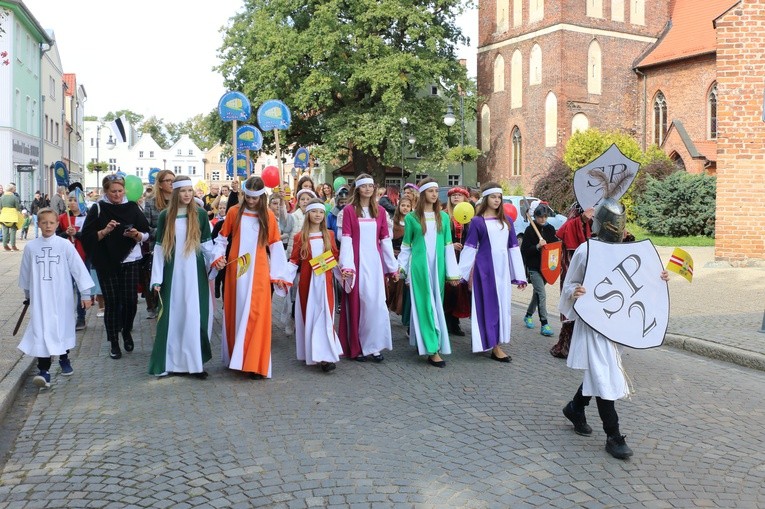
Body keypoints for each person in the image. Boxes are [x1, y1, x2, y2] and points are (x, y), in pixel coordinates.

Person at [560, 197, 669, 460]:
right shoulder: (587, 251)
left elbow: (639, 284)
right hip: (593, 322)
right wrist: (575, 290)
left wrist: (659, 277)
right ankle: (613, 435)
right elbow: (569, 284)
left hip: (616, 324)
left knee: (601, 370)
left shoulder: (628, 251)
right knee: (604, 374)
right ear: (601, 223)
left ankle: (575, 408)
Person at [211, 176, 290, 379]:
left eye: (255, 198)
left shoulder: (268, 215)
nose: (252, 201)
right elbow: (221, 239)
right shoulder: (233, 212)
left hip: (259, 272)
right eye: (248, 197)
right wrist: (218, 257)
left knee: (257, 314)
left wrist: (279, 275)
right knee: (236, 312)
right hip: (236, 271)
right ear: (244, 194)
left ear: (261, 197)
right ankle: (238, 358)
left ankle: (254, 363)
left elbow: (275, 245)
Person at [18, 208, 94, 388]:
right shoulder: (31, 247)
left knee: (61, 327)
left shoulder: (64, 245)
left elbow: (78, 269)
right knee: (42, 330)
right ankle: (43, 371)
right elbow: (26, 273)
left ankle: (64, 357)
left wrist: (85, 294)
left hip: (61, 295)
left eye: (51, 222)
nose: (48, 226)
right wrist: (28, 295)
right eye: (44, 222)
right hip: (40, 298)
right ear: (38, 224)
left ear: (57, 224)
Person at [149, 176, 215, 378]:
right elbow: (160, 249)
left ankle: (195, 364)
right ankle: (170, 363)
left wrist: (216, 261)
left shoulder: (201, 215)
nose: (187, 194)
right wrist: (157, 279)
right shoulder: (165, 216)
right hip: (172, 274)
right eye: (183, 191)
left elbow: (207, 247)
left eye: (190, 190)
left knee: (195, 316)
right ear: (176, 193)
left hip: (195, 276)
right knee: (171, 317)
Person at [81, 174, 151, 360]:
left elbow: (146, 234)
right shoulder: (98, 208)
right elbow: (87, 237)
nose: (117, 194)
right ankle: (113, 342)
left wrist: (136, 235)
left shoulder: (132, 207)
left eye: (120, 191)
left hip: (130, 259)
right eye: (113, 191)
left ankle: (126, 331)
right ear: (106, 191)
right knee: (112, 303)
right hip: (106, 261)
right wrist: (105, 230)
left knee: (129, 301)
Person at [458, 183, 527, 362]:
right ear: (486, 199)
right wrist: (461, 275)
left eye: (499, 197)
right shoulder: (477, 221)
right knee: (487, 307)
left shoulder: (507, 221)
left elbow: (513, 248)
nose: (496, 200)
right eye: (493, 197)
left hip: (502, 271)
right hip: (485, 271)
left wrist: (519, 275)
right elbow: (470, 248)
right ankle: (493, 346)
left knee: (502, 307)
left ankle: (494, 341)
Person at [397, 178, 459, 368]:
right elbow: (406, 246)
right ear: (423, 194)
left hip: (437, 269)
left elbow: (448, 246)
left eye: (436, 190)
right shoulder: (411, 218)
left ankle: (424, 341)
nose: (434, 194)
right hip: (419, 269)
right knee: (425, 305)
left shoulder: (445, 217)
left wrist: (452, 273)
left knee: (436, 304)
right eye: (431, 191)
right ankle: (433, 349)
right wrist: (402, 268)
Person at [338, 174, 398, 362]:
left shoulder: (380, 211)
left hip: (374, 263)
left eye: (371, 186)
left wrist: (392, 267)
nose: (368, 189)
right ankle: (358, 347)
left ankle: (375, 346)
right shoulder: (349, 211)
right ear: (357, 189)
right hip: (357, 263)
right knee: (359, 304)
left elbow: (385, 241)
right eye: (364, 186)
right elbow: (346, 238)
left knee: (377, 304)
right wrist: (346, 266)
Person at [284, 199, 343, 372]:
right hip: (308, 285)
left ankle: (325, 356)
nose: (317, 215)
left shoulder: (330, 235)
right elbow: (294, 260)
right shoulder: (299, 237)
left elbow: (336, 257)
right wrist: (284, 278)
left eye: (321, 212)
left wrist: (342, 271)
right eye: (314, 211)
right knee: (311, 316)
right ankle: (314, 352)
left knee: (326, 317)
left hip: (325, 284)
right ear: (307, 214)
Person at [551, 203, 594, 358]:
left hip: (592, 269)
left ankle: (585, 349)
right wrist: (581, 220)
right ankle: (567, 347)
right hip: (572, 268)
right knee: (572, 307)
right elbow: (566, 230)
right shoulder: (576, 210)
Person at [521, 201, 560, 337]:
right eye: (540, 217)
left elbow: (554, 247)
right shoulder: (529, 230)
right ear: (535, 217)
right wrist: (537, 246)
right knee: (542, 295)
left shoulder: (550, 229)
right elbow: (524, 250)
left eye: (545, 217)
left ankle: (528, 315)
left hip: (546, 268)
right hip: (534, 267)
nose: (543, 219)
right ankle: (544, 323)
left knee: (537, 294)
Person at [142, 170, 176, 319]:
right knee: (159, 279)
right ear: (160, 184)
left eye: (173, 180)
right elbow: (145, 228)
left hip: (178, 248)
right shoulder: (151, 203)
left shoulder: (180, 200)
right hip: (158, 248)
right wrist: (165, 232)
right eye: (168, 180)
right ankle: (155, 306)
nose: (171, 183)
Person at [284, 188, 317, 335]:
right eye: (302, 199)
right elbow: (285, 231)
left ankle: (306, 319)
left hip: (311, 260)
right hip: (296, 258)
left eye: (308, 199)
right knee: (294, 292)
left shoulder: (316, 216)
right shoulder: (293, 216)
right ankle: (292, 319)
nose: (305, 202)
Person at [57, 192, 89, 331]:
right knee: (67, 287)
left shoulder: (87, 218)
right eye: (70, 200)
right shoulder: (62, 218)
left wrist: (76, 234)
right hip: (66, 258)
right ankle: (67, 316)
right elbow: (56, 235)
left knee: (83, 288)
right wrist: (66, 234)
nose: (72, 202)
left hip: (83, 256)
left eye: (75, 200)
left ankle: (81, 316)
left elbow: (90, 236)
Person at [443, 187, 472, 336]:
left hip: (463, 258)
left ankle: (455, 321)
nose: (456, 198)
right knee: (449, 289)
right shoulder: (444, 217)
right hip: (449, 257)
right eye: (453, 195)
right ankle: (447, 320)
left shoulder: (469, 219)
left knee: (460, 290)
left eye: (459, 195)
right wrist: (450, 246)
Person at [386, 196, 412, 316]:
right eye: (403, 205)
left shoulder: (412, 222)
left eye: (408, 206)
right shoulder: (392, 222)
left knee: (402, 285)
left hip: (407, 257)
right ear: (398, 206)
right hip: (394, 255)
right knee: (392, 284)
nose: (405, 208)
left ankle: (400, 308)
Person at [0, 184, 21, 251]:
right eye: (14, 189)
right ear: (12, 190)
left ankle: (5, 245)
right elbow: (17, 207)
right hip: (12, 216)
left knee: (5, 232)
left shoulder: (2, 197)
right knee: (13, 231)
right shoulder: (14, 197)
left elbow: (0, 207)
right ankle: (13, 246)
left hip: (4, 216)